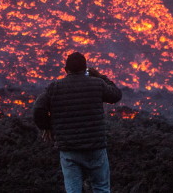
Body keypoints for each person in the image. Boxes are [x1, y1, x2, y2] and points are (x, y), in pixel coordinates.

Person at [33, 51, 123, 193]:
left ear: (65, 70)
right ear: (85, 68)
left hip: (69, 148)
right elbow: (116, 95)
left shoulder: (55, 87)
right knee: (101, 188)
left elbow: (38, 108)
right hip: (95, 146)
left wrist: (47, 127)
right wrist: (99, 76)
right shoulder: (97, 84)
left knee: (73, 190)